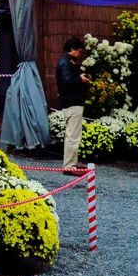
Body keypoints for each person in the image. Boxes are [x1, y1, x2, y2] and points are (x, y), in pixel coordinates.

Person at [55, 36, 90, 173]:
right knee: (72, 135)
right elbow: (67, 80)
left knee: (74, 135)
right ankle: (69, 166)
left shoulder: (67, 61)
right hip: (72, 102)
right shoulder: (65, 62)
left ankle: (72, 163)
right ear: (73, 49)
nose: (80, 54)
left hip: (73, 102)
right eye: (79, 51)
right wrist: (79, 79)